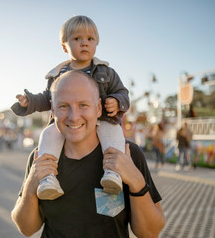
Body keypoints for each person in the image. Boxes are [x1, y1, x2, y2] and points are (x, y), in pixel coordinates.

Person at [11, 71, 165, 237]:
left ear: (98, 108)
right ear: (53, 111)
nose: (74, 117)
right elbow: (26, 228)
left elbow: (151, 233)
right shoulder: (42, 157)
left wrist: (135, 180)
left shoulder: (127, 154)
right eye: (63, 106)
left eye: (83, 105)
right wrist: (31, 186)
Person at [11, 15, 129, 198]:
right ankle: (48, 179)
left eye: (90, 39)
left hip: (102, 119)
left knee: (114, 134)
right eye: (77, 39)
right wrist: (30, 101)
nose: (84, 43)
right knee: (48, 134)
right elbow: (47, 99)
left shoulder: (107, 72)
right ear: (64, 46)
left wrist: (116, 100)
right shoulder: (57, 75)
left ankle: (113, 173)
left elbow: (123, 93)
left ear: (96, 43)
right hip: (67, 124)